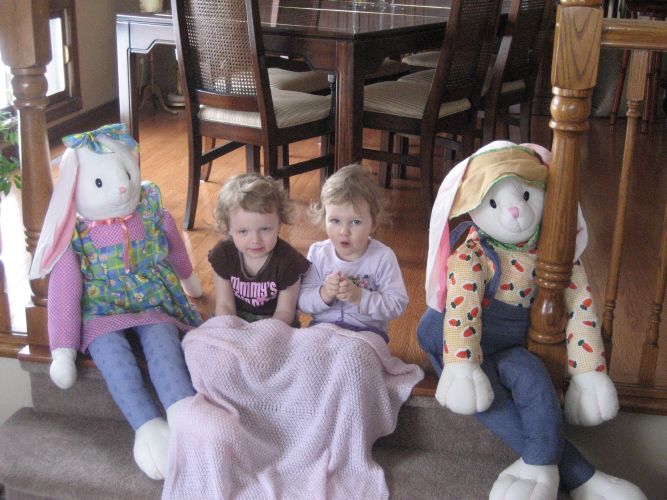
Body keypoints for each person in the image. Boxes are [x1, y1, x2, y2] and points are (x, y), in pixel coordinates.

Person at [298, 164, 409, 342]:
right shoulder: (318, 253)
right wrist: (324, 293)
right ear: (324, 219)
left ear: (373, 224)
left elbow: (397, 305)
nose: (344, 231)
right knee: (303, 351)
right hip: (322, 329)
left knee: (355, 356)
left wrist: (360, 297)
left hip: (366, 334)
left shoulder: (382, 257)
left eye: (355, 222)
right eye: (335, 220)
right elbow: (302, 301)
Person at [208, 173, 310, 325]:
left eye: (265, 229)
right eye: (243, 231)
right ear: (228, 228)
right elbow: (225, 305)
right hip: (235, 317)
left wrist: (261, 335)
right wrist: (230, 330)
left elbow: (285, 312)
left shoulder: (289, 261)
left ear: (279, 224)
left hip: (275, 322)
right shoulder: (223, 254)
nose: (255, 240)